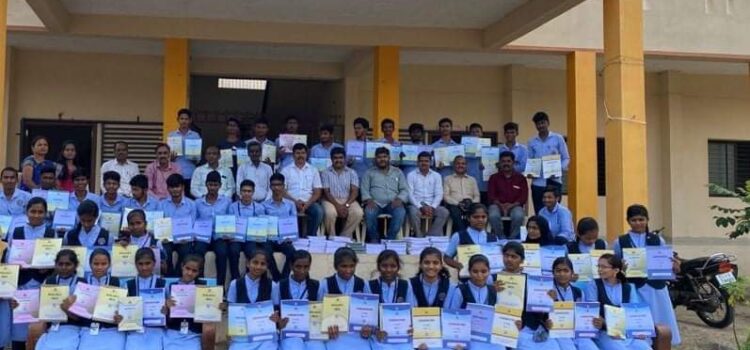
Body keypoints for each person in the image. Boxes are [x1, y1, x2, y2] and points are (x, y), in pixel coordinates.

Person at [612, 204, 681, 346]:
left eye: (641, 219)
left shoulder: (658, 240)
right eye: (634, 220)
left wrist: (674, 266)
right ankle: (642, 344)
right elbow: (615, 266)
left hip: (656, 287)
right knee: (639, 321)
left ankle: (662, 343)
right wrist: (621, 268)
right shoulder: (620, 241)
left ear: (647, 220)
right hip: (635, 288)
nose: (638, 223)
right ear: (628, 221)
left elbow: (666, 262)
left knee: (660, 317)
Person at [2, 198, 57, 350]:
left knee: (39, 330)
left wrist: (49, 268)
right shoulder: (17, 231)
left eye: (40, 212)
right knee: (19, 330)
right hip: (21, 285)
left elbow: (59, 260)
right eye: (33, 211)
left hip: (42, 284)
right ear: (26, 212)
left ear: (46, 214)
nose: (36, 215)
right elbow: (8, 260)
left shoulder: (51, 233)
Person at [585, 253, 652, 350]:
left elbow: (634, 312)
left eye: (603, 267)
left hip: (626, 332)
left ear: (616, 270)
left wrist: (638, 329)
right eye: (598, 266)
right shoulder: (593, 285)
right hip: (604, 332)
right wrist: (606, 324)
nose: (599, 270)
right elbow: (592, 312)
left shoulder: (628, 287)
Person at [317, 247, 372, 350]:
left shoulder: (362, 284)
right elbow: (319, 310)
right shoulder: (325, 283)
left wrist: (367, 328)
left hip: (358, 334)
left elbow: (368, 311)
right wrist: (326, 327)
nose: (348, 270)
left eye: (352, 266)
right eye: (344, 266)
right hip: (335, 334)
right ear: (335, 266)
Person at [226, 250, 281, 350]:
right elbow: (231, 311)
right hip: (242, 335)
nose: (258, 267)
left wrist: (276, 317)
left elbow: (276, 309)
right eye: (255, 262)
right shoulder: (235, 284)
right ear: (248, 263)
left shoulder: (272, 285)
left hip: (265, 335)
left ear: (267, 266)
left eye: (263, 264)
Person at [33, 249, 82, 350]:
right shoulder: (49, 281)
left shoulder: (81, 283)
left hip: (73, 327)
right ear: (55, 265)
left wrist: (67, 310)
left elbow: (81, 316)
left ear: (75, 265)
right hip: (52, 326)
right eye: (60, 264)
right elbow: (41, 307)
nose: (64, 267)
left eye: (68, 264)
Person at [547, 257, 599, 350]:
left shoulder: (578, 292)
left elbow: (583, 315)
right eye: (558, 271)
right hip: (557, 330)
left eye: (566, 270)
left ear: (572, 273)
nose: (562, 274)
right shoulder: (547, 291)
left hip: (577, 331)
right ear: (553, 273)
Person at [121, 248, 167, 350]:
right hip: (134, 328)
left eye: (148, 263)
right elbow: (123, 310)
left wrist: (166, 310)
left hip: (156, 328)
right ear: (135, 264)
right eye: (140, 264)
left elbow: (168, 310)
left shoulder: (163, 284)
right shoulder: (128, 284)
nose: (144, 267)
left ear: (154, 263)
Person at [78, 249, 124, 350]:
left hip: (111, 327)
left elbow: (122, 307)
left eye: (104, 264)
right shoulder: (82, 282)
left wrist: (120, 315)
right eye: (96, 263)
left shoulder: (116, 282)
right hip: (87, 326)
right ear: (90, 264)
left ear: (109, 265)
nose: (99, 267)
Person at [361, 147, 409, 242]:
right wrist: (369, 200)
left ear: (389, 158)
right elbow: (364, 189)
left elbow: (405, 189)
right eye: (379, 157)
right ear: (375, 159)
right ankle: (375, 239)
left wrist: (399, 199)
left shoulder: (398, 172)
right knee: (369, 213)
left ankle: (389, 240)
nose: (382, 159)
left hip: (393, 203)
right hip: (375, 203)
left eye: (384, 157)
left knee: (400, 213)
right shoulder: (369, 173)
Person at [277, 250, 322, 350]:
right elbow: (275, 310)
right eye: (298, 266)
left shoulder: (316, 285)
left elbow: (320, 310)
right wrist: (278, 322)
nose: (302, 271)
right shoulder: (280, 285)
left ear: (310, 266)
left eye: (306, 267)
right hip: (289, 331)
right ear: (291, 266)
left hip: (311, 331)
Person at [369, 250, 412, 350]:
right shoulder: (370, 285)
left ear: (398, 267)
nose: (388, 270)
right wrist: (375, 331)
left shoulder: (405, 285)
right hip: (378, 335)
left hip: (401, 335)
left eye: (393, 266)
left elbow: (411, 311)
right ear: (378, 266)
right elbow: (369, 315)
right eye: (384, 266)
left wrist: (410, 328)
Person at [528, 112, 570, 214]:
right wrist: (529, 172)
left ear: (548, 123)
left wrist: (558, 170)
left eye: (543, 123)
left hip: (554, 182)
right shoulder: (532, 141)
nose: (541, 126)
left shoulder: (558, 138)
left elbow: (566, 158)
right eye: (538, 124)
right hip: (538, 183)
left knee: (554, 212)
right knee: (539, 213)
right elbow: (530, 160)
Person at [280, 143, 324, 238]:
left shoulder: (313, 170)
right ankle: (290, 237)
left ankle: (309, 237)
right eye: (297, 153)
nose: (300, 155)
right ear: (293, 155)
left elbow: (317, 191)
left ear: (307, 154)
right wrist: (295, 202)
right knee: (283, 210)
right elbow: (282, 191)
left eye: (303, 153)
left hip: (309, 202)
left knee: (318, 211)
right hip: (290, 202)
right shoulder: (286, 170)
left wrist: (307, 204)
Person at [195, 171, 231, 284]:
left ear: (220, 185)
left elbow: (230, 219)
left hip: (219, 236)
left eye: (215, 185)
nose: (213, 188)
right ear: (206, 185)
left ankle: (221, 286)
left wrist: (229, 233)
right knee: (198, 252)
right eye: (210, 184)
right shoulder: (198, 202)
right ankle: (199, 284)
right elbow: (194, 220)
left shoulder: (227, 201)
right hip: (202, 237)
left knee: (222, 252)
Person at [163, 254, 205, 350]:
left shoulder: (203, 288)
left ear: (199, 272)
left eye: (194, 271)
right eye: (187, 268)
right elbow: (167, 320)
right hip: (173, 331)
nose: (189, 273)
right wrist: (168, 309)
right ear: (182, 266)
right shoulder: (170, 287)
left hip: (194, 333)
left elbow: (208, 315)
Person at [158, 174, 197, 276]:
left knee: (186, 250)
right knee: (165, 250)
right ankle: (169, 277)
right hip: (168, 238)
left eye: (177, 186)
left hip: (184, 239)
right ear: (168, 188)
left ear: (183, 187)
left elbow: (192, 224)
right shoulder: (161, 204)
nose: (175, 190)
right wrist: (163, 236)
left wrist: (187, 236)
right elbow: (159, 223)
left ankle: (178, 276)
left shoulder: (191, 204)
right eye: (171, 187)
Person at [262, 173, 298, 281]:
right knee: (266, 252)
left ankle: (284, 278)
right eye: (273, 185)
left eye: (279, 185)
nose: (276, 187)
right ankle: (277, 278)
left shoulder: (290, 204)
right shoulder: (264, 205)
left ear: (284, 186)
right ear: (270, 186)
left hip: (284, 239)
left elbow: (293, 222)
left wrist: (290, 236)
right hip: (269, 238)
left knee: (293, 253)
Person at [321, 147, 363, 238]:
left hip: (348, 199)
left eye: (340, 157)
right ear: (331, 159)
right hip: (330, 200)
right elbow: (326, 192)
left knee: (358, 212)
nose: (338, 160)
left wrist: (346, 205)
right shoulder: (325, 173)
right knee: (330, 213)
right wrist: (337, 206)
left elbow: (355, 192)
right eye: (335, 158)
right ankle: (332, 237)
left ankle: (344, 236)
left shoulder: (352, 172)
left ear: (345, 159)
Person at [229, 180, 266, 283]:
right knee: (233, 251)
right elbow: (229, 224)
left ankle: (248, 278)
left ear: (253, 192)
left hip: (251, 238)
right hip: (236, 238)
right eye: (244, 191)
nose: (246, 193)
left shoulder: (259, 208)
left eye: (249, 191)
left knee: (252, 251)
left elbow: (261, 226)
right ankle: (235, 279)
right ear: (240, 192)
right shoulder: (232, 207)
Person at [443, 203, 496, 272]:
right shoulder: (459, 236)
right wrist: (458, 265)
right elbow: (447, 258)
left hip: (489, 279)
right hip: (467, 279)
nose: (480, 220)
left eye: (483, 217)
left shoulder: (493, 238)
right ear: (468, 218)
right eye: (476, 217)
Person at [407, 151, 449, 237]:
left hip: (432, 206)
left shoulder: (436, 176)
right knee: (412, 211)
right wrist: (420, 207)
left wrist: (433, 207)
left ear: (430, 162)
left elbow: (439, 194)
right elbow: (409, 194)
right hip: (416, 205)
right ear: (417, 162)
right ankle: (419, 237)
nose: (424, 163)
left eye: (426, 161)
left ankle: (431, 236)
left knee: (444, 212)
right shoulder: (411, 175)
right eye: (421, 161)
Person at [487, 151, 528, 239]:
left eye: (508, 161)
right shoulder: (493, 178)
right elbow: (491, 196)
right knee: (493, 215)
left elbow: (523, 197)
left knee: (519, 216)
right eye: (503, 161)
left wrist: (510, 206)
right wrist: (501, 205)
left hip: (515, 205)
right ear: (500, 163)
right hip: (497, 205)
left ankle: (512, 239)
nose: (506, 163)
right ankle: (501, 238)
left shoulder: (521, 178)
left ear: (513, 162)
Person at [119, 209, 167, 276]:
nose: (135, 227)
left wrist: (155, 256)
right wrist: (120, 249)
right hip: (128, 277)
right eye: (131, 224)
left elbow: (164, 268)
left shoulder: (156, 242)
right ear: (128, 225)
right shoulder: (122, 242)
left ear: (145, 224)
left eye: (138, 223)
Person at [442, 156, 480, 233]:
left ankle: (476, 234)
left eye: (463, 164)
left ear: (466, 166)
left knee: (479, 210)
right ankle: (464, 234)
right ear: (454, 165)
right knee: (454, 210)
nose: (460, 165)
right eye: (458, 163)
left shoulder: (472, 180)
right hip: (454, 205)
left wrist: (471, 203)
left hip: (470, 204)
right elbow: (446, 196)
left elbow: (477, 196)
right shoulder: (447, 179)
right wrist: (459, 204)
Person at [167, 108, 201, 194]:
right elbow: (167, 157)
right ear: (177, 120)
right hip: (175, 172)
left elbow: (198, 160)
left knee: (189, 197)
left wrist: (194, 157)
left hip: (191, 172)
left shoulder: (195, 135)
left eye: (186, 119)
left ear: (190, 120)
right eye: (182, 119)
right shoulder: (171, 135)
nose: (184, 121)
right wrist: (171, 158)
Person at [465, 123, 486, 196]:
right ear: (470, 134)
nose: (475, 134)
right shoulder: (463, 148)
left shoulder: (489, 147)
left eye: (477, 131)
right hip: (468, 183)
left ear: (481, 133)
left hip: (484, 184)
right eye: (473, 132)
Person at [348, 117, 371, 181]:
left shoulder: (371, 145)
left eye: (359, 128)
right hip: (353, 179)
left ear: (366, 129)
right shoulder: (350, 145)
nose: (356, 130)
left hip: (368, 179)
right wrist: (348, 162)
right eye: (355, 128)